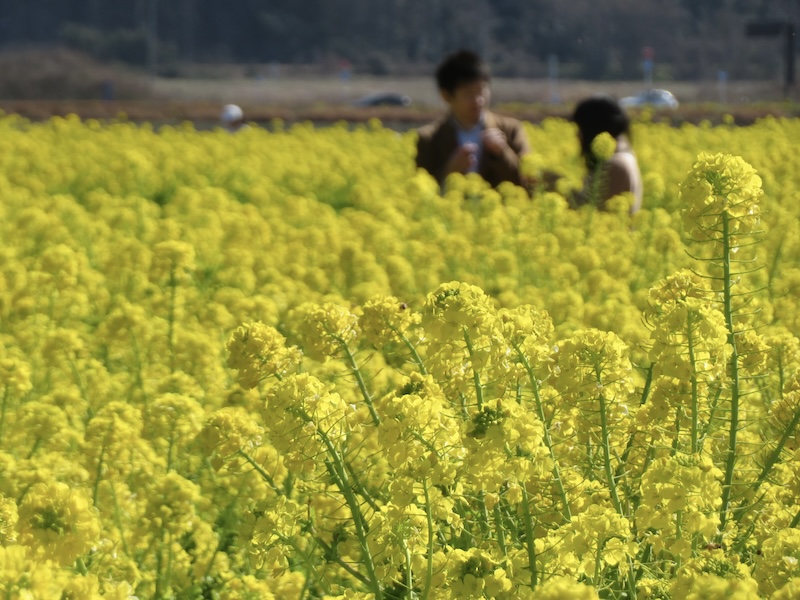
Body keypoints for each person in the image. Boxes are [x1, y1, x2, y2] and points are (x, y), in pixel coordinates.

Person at [416, 50, 531, 188]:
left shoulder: (511, 130)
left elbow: (528, 182)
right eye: (469, 94)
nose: (479, 100)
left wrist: (502, 153)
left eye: (482, 90)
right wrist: (450, 171)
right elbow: (422, 190)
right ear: (446, 96)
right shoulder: (429, 139)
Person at [571, 95, 643, 213]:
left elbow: (589, 211)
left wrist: (556, 188)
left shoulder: (616, 164)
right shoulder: (625, 156)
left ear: (593, 127)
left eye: (581, 128)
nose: (577, 135)